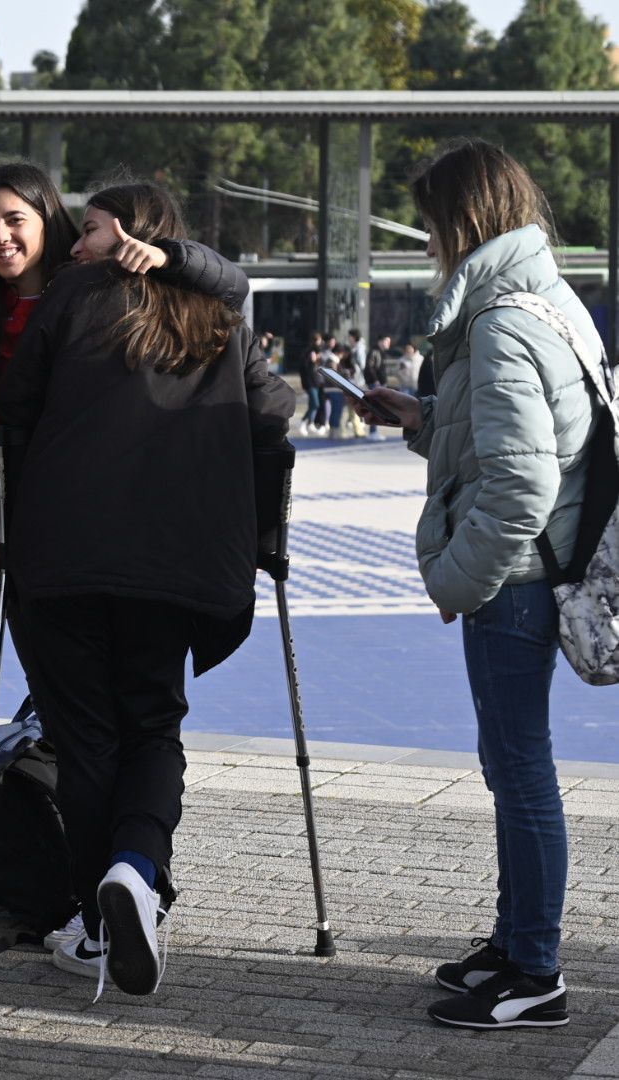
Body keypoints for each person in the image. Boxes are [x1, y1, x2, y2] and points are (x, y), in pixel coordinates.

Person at [0, 180, 295, 997]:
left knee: (87, 739)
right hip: (178, 565)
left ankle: (100, 923)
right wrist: (261, 543)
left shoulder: (73, 299)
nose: (75, 246)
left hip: (65, 557)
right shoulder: (220, 320)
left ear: (131, 233)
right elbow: (275, 420)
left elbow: (13, 414)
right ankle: (136, 869)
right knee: (154, 727)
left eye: (87, 231)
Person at [356, 138, 599, 1031]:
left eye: (430, 227)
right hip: (536, 570)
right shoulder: (547, 300)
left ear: (461, 222)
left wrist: (459, 580)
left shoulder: (499, 322)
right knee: (512, 768)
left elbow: (523, 483)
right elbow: (521, 445)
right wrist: (424, 419)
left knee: (523, 772)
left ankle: (536, 971)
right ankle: (514, 942)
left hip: (515, 578)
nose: (427, 245)